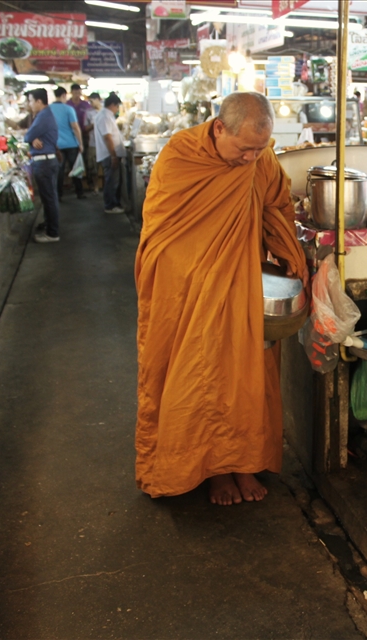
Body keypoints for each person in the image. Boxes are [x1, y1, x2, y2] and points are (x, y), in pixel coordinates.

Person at [134, 92, 307, 506]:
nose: (252, 158)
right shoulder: (179, 157)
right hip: (188, 288)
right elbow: (160, 231)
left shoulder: (260, 160)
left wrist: (288, 252)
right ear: (218, 128)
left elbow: (276, 206)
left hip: (239, 280)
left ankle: (243, 462)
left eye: (260, 150)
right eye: (244, 149)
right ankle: (210, 471)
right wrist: (196, 273)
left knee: (246, 373)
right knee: (197, 372)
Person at [23, 88, 61, 243]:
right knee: (49, 198)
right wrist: (32, 139)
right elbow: (31, 137)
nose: (30, 104)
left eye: (31, 101)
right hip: (46, 161)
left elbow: (27, 135)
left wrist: (31, 138)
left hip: (44, 163)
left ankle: (53, 233)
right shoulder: (44, 115)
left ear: (39, 101)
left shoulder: (43, 116)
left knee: (49, 198)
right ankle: (49, 226)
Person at [49, 87, 85, 200]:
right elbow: (75, 127)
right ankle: (79, 192)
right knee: (76, 168)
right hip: (71, 144)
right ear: (64, 95)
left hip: (56, 145)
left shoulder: (48, 109)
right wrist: (81, 143)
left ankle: (58, 195)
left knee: (59, 170)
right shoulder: (68, 109)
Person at [93, 93, 126, 214]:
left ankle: (114, 203)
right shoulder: (104, 116)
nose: (117, 110)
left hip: (110, 154)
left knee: (113, 180)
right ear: (113, 105)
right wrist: (113, 156)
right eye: (117, 107)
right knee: (111, 181)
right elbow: (107, 137)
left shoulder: (106, 115)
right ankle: (110, 205)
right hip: (109, 154)